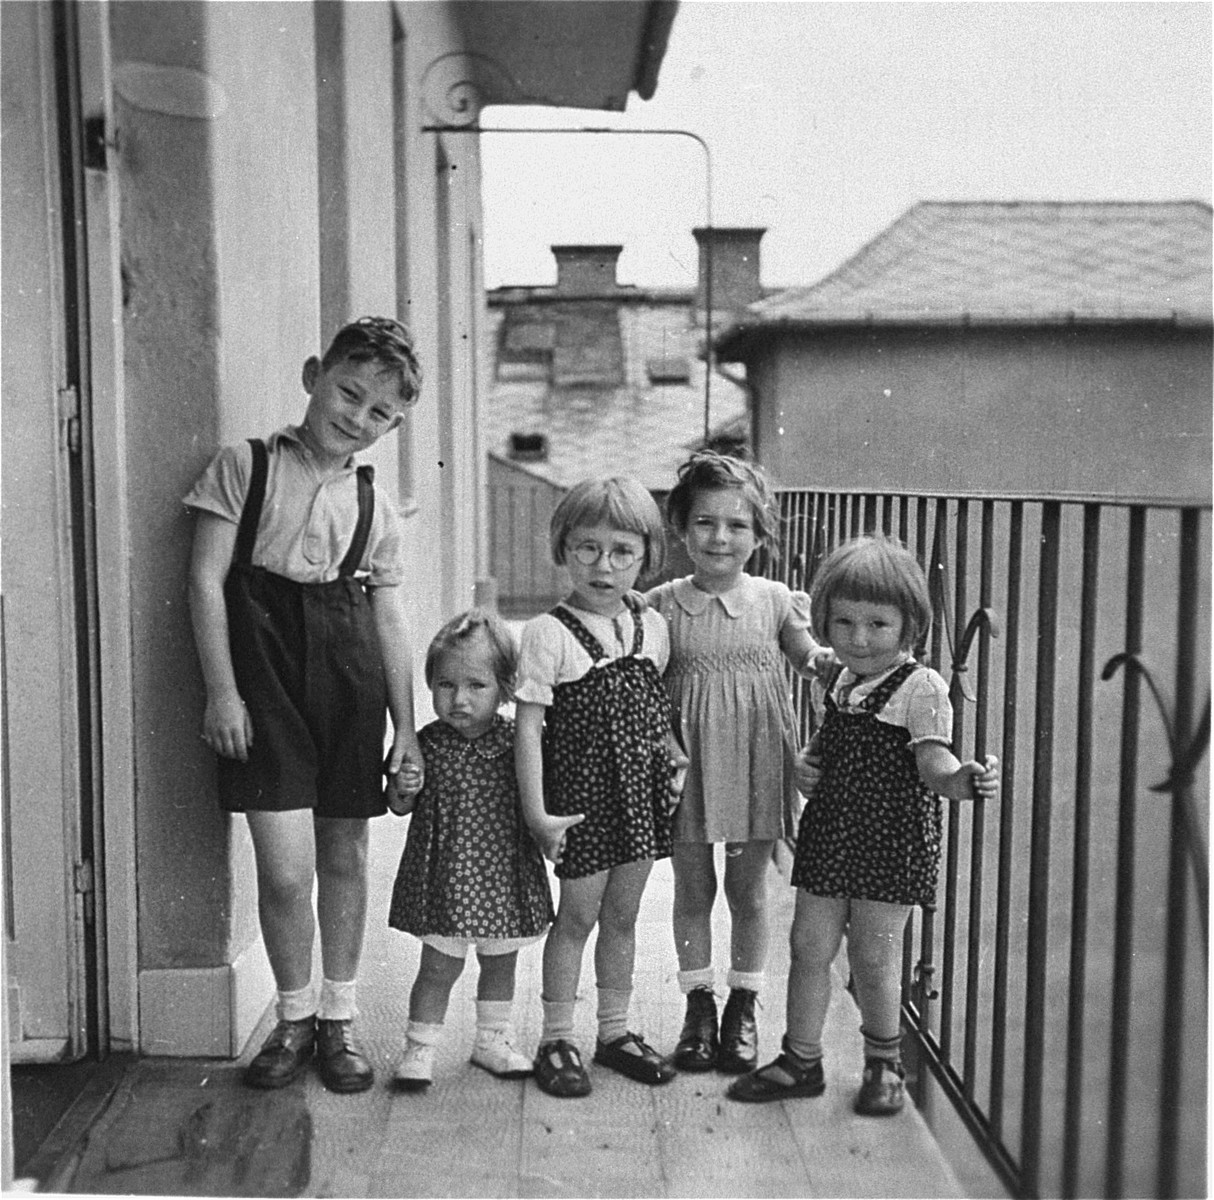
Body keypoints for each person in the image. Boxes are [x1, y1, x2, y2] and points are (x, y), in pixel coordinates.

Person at [186, 316, 424, 1093]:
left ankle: (337, 1018)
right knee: (286, 870)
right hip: (262, 672)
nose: (356, 417)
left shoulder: (375, 503)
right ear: (313, 373)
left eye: (378, 412)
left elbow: (388, 617)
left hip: (348, 670)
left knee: (346, 853)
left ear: (391, 427)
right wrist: (222, 689)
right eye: (348, 393)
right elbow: (204, 581)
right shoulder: (245, 465)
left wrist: (407, 730)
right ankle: (290, 1016)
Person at [727, 534, 1000, 1115]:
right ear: (825, 622)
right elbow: (833, 741)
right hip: (831, 832)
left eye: (877, 624)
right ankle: (801, 1059)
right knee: (808, 945)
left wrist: (963, 781)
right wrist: (807, 764)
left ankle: (884, 1063)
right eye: (844, 622)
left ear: (910, 627)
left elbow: (933, 763)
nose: (858, 637)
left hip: (890, 842)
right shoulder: (843, 679)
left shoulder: (921, 688)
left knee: (874, 957)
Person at [647, 450, 831, 1076]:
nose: (720, 537)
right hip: (686, 766)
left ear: (759, 535)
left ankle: (744, 1005)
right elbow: (639, 682)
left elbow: (809, 657)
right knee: (694, 889)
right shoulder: (659, 605)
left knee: (749, 890)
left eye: (737, 525)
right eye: (704, 522)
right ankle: (699, 1005)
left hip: (758, 758)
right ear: (681, 526)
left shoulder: (777, 601)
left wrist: (835, 662)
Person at [514, 476, 688, 1098]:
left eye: (622, 553)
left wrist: (674, 758)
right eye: (587, 548)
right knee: (577, 916)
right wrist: (537, 814)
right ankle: (556, 1036)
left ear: (646, 557)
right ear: (563, 548)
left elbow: (653, 710)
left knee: (624, 914)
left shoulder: (653, 629)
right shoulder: (548, 634)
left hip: (638, 801)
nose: (604, 566)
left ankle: (613, 1032)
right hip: (579, 805)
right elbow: (528, 732)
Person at [386, 609, 554, 1091]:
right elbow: (399, 807)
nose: (459, 699)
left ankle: (492, 1041)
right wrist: (404, 784)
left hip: (503, 875)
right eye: (446, 685)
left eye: (476, 686)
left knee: (500, 963)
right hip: (444, 877)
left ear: (505, 687)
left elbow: (539, 793)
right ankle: (419, 1048)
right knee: (438, 966)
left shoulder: (517, 741)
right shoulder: (425, 743)